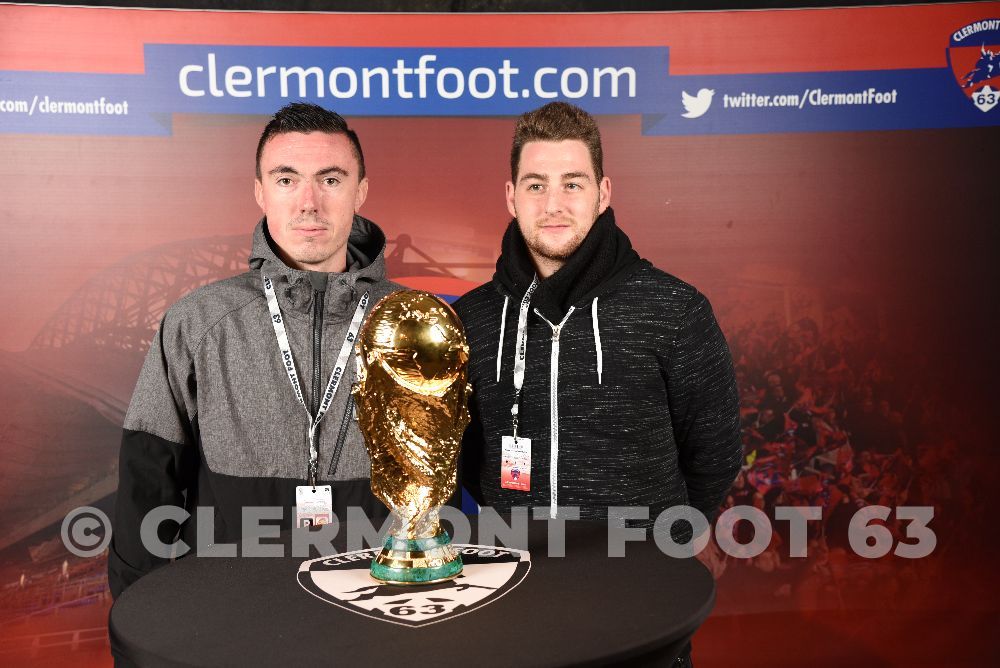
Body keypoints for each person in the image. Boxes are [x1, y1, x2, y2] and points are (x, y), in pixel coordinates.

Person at [455, 103, 742, 664]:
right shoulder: (474, 320)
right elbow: (466, 455)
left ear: (603, 193)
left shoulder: (673, 309)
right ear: (511, 197)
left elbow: (715, 450)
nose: (554, 204)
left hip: (642, 601)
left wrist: (674, 541)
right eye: (535, 185)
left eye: (573, 183)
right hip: (515, 601)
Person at [108, 103, 400, 598]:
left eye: (330, 180)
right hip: (233, 617)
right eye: (287, 180)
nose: (309, 202)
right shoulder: (198, 321)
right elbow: (146, 487)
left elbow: (447, 486)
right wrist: (142, 627)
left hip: (378, 615)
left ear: (360, 192)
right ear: (261, 192)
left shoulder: (411, 322)